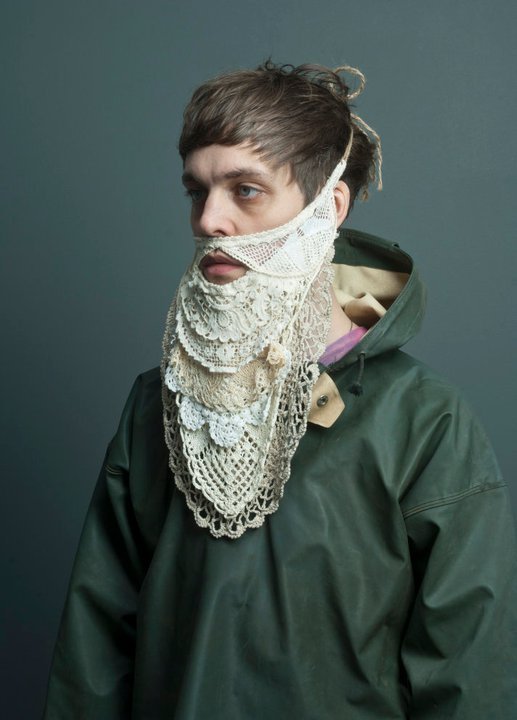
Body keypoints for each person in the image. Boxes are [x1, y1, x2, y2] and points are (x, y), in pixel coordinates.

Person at [43, 61, 517, 718]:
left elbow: (467, 671)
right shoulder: (156, 402)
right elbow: (95, 647)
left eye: (245, 190)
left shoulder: (424, 418)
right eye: (196, 191)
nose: (210, 220)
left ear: (330, 207)